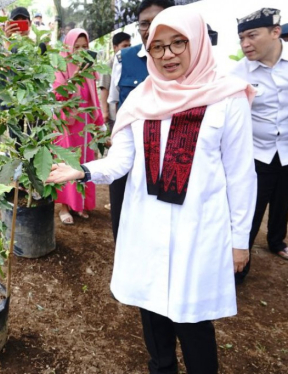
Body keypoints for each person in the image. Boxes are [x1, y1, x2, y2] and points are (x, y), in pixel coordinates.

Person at [47, 7, 256, 373]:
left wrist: (240, 241)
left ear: (198, 43)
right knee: (153, 318)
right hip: (147, 225)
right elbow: (121, 161)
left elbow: (240, 174)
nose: (168, 54)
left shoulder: (227, 98)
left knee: (193, 323)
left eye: (178, 43)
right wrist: (80, 171)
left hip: (198, 228)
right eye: (158, 47)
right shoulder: (142, 98)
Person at [107, 0, 174, 242]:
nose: (151, 28)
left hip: (168, 155)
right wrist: (114, 133)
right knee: (122, 213)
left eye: (159, 19)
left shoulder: (184, 61)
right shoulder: (124, 59)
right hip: (129, 150)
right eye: (145, 23)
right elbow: (114, 100)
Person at [230, 8, 288, 284]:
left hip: (287, 151)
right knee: (250, 211)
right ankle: (240, 268)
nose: (245, 44)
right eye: (242, 38)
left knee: (282, 203)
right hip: (256, 154)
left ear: (275, 33)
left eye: (252, 36)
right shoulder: (238, 73)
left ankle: (277, 241)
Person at [53, 29, 104, 225]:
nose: (81, 50)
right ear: (69, 47)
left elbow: (94, 98)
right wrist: (76, 78)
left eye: (85, 47)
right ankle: (64, 206)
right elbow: (58, 94)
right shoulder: (62, 66)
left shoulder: (90, 69)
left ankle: (80, 204)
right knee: (67, 161)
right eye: (77, 47)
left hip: (86, 124)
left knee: (85, 161)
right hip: (67, 123)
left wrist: (99, 124)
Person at [99, 32, 131, 126]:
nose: (128, 48)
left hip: (130, 111)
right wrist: (105, 112)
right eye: (124, 46)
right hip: (114, 113)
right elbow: (104, 89)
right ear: (115, 47)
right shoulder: (109, 65)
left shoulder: (131, 63)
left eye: (129, 45)